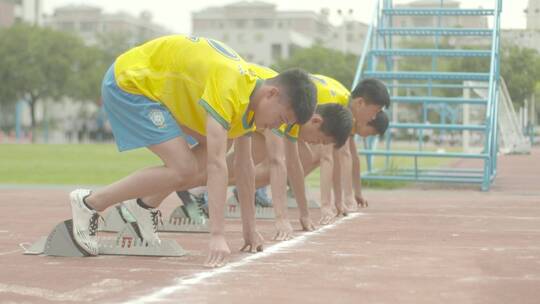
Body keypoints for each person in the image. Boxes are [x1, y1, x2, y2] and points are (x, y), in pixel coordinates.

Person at [67, 35, 317, 267]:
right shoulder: (231, 88)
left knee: (212, 154)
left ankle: (144, 208)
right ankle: (89, 203)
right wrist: (217, 235)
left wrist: (248, 229)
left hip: (160, 90)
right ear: (272, 94)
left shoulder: (253, 97)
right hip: (130, 82)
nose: (278, 127)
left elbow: (244, 167)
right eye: (282, 118)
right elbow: (217, 166)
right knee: (185, 168)